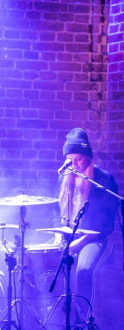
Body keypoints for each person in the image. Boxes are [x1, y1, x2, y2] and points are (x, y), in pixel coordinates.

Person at [53, 127, 119, 306]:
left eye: (79, 159)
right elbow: (56, 211)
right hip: (69, 235)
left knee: (83, 269)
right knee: (46, 263)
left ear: (88, 156)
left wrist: (80, 242)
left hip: (95, 238)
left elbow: (106, 223)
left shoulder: (102, 179)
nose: (74, 164)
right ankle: (58, 314)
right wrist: (58, 234)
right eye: (70, 160)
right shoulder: (63, 177)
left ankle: (83, 318)